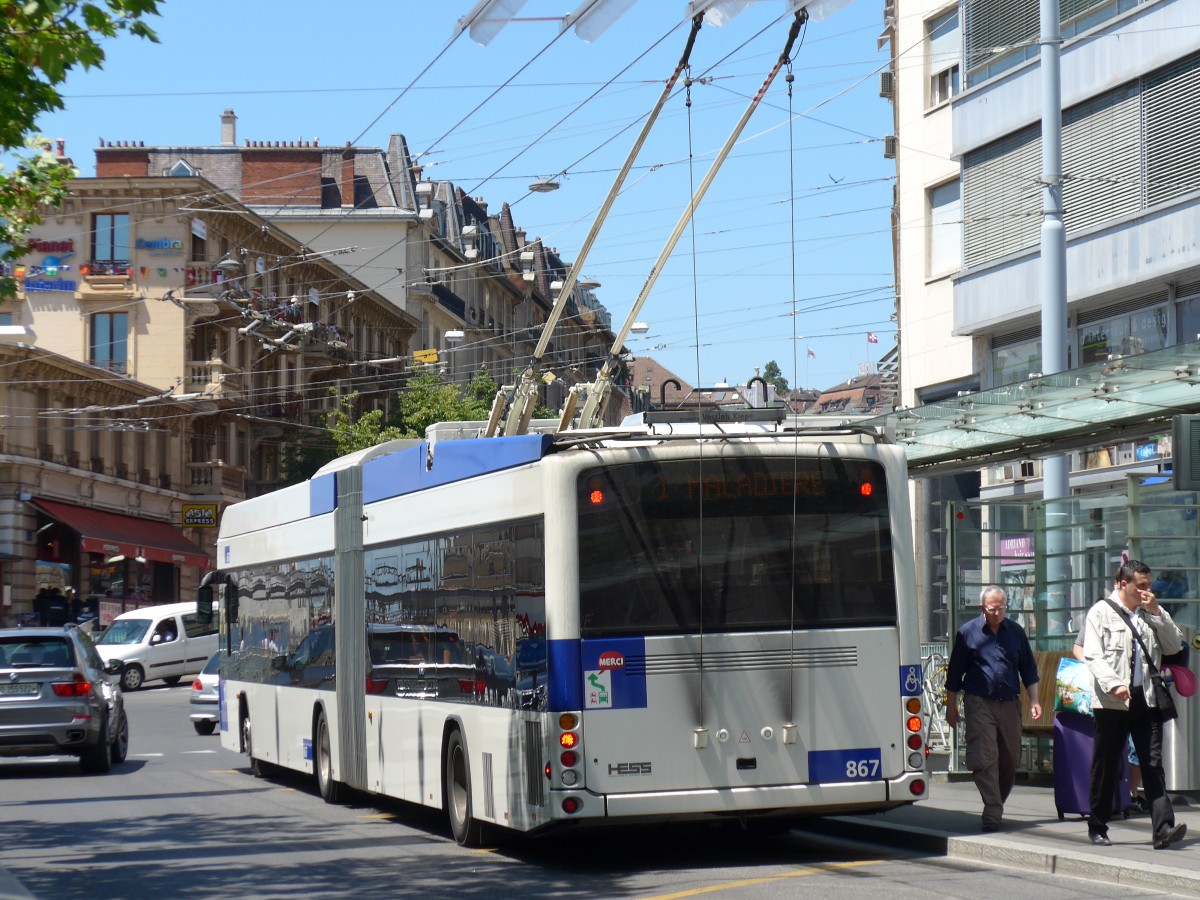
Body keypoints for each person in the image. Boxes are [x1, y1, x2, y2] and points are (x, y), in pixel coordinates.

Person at [1082, 559, 1186, 849]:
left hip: (1146, 699)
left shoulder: (1150, 611)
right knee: (1106, 764)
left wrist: (1157, 612)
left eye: (1148, 586)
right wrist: (1113, 683)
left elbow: (1174, 646)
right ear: (1122, 584)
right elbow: (1093, 655)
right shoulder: (1100, 613)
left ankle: (1163, 829)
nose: (1146, 591)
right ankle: (1098, 825)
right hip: (1111, 701)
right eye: (1141, 586)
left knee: (1152, 764)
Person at [945, 585, 1042, 832]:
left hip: (1009, 702)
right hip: (979, 701)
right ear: (982, 608)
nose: (998, 612)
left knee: (1011, 757)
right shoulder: (967, 633)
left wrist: (1035, 701)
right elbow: (955, 673)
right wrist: (951, 705)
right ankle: (992, 811)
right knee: (986, 756)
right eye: (992, 608)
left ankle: (996, 801)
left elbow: (1028, 670)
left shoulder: (1016, 632)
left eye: (1002, 607)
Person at [1073, 636, 1144, 813]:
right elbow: (1079, 648)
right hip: (1109, 696)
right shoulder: (1099, 614)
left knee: (1138, 751)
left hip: (1138, 695)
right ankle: (1105, 809)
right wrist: (1096, 670)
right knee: (1107, 756)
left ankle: (1132, 794)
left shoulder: (1143, 616)